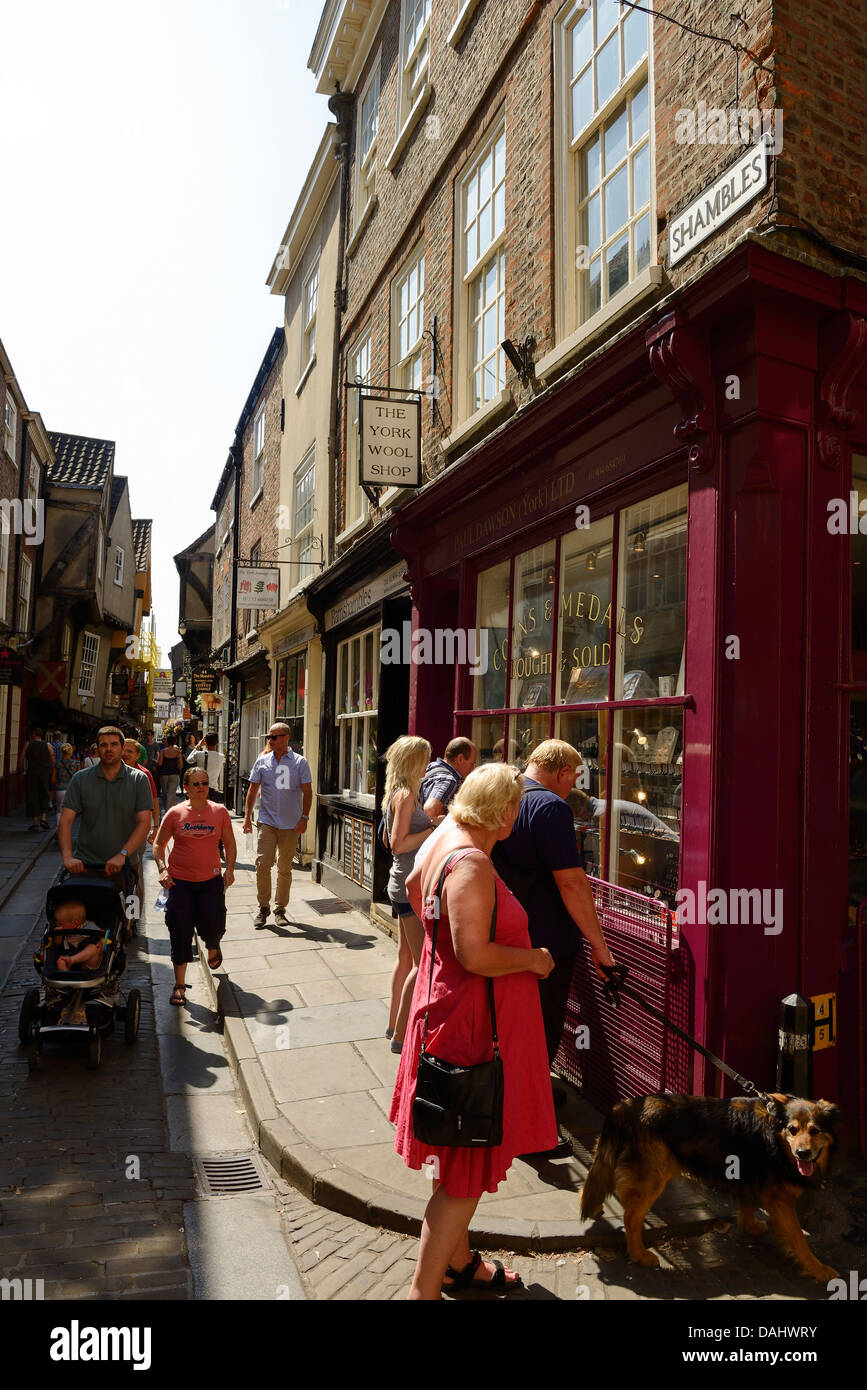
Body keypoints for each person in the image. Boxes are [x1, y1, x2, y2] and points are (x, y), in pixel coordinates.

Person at [391, 763, 557, 1300]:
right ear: (504, 810)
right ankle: (424, 1291)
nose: (519, 811)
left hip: (446, 1010)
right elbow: (475, 954)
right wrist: (533, 960)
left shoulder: (443, 836)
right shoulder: (473, 862)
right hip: (469, 1028)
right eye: (517, 803)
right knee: (464, 1172)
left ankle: (458, 1263)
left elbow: (416, 888)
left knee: (454, 1155)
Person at [491, 738, 616, 1158]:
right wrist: (600, 947)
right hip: (545, 945)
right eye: (573, 778)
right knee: (538, 1036)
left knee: (510, 1032)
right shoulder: (551, 807)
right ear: (562, 773)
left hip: (505, 938)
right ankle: (527, 1132)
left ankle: (525, 1104)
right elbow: (572, 882)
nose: (571, 787)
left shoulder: (504, 793)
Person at [153, 766, 236, 1006]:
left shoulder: (219, 812)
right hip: (179, 883)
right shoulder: (175, 813)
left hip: (210, 881)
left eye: (205, 783)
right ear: (186, 788)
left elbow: (229, 844)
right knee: (179, 931)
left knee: (213, 923)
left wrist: (229, 870)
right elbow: (159, 845)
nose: (201, 788)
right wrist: (162, 869)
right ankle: (179, 985)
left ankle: (213, 944)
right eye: (196, 784)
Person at [383, 736, 435, 1053]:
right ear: (413, 762)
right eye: (425, 759)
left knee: (404, 958)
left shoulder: (401, 793)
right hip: (408, 886)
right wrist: (431, 829)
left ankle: (392, 1023)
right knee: (421, 964)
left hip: (400, 884)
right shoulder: (404, 795)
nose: (428, 765)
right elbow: (397, 843)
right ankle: (401, 1037)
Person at [58, 726, 153, 890]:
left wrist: (122, 855)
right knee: (71, 913)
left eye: (114, 744)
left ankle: (132, 915)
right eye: (103, 745)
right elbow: (66, 821)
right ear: (97, 748)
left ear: (122, 748)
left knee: (129, 912)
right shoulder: (80, 779)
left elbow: (144, 823)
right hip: (85, 865)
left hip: (125, 865)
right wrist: (67, 857)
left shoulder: (139, 779)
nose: (109, 749)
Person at [242, 722, 312, 928]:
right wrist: (247, 817)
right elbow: (252, 790)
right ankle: (263, 907)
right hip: (267, 822)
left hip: (291, 824)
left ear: (286, 738)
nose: (270, 741)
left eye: (274, 737)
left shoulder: (300, 762)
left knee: (284, 867)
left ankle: (280, 909)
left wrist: (305, 818)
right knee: (263, 863)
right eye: (269, 737)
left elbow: (307, 792)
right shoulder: (262, 761)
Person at [419, 737, 478, 823]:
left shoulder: (431, 766)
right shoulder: (449, 780)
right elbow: (431, 809)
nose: (473, 769)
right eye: (472, 764)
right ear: (460, 759)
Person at [50, 900, 105, 972]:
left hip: (90, 963)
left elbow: (103, 933)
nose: (58, 925)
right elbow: (58, 944)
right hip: (71, 958)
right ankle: (65, 970)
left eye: (60, 923)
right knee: (61, 959)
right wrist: (58, 934)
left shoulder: (89, 926)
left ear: (75, 923)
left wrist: (101, 942)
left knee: (92, 948)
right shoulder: (64, 932)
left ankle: (71, 960)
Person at [21, 728, 54, 831]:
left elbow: (22, 757)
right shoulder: (48, 746)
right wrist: (53, 772)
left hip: (32, 773)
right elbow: (53, 761)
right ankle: (43, 819)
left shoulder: (28, 744)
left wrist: (20, 771)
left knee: (33, 795)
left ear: (34, 734)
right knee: (45, 795)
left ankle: (35, 822)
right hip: (44, 774)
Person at [187, 732, 226, 804]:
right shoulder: (221, 757)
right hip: (214, 789)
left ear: (205, 742)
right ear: (217, 742)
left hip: (199, 788)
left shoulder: (199, 754)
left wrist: (198, 746)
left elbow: (188, 760)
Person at [54, 743, 79, 830]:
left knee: (59, 810)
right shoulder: (76, 763)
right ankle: (66, 829)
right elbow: (78, 778)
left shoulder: (57, 763)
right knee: (70, 811)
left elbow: (53, 778)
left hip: (60, 789)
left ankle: (58, 829)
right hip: (71, 790)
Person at [157, 736, 184, 812]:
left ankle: (166, 811)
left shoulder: (162, 751)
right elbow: (181, 766)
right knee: (171, 795)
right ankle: (168, 812)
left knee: (165, 795)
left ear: (167, 742)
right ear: (175, 742)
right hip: (174, 775)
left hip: (164, 775)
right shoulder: (178, 752)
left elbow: (160, 764)